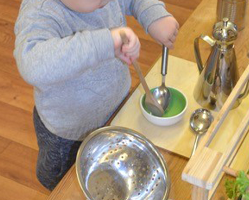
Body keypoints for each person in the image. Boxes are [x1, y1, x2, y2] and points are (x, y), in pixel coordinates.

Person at [14, 0, 179, 191]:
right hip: (69, 137)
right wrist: (105, 42)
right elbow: (34, 66)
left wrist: (154, 15)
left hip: (116, 112)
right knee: (67, 187)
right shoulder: (40, 11)